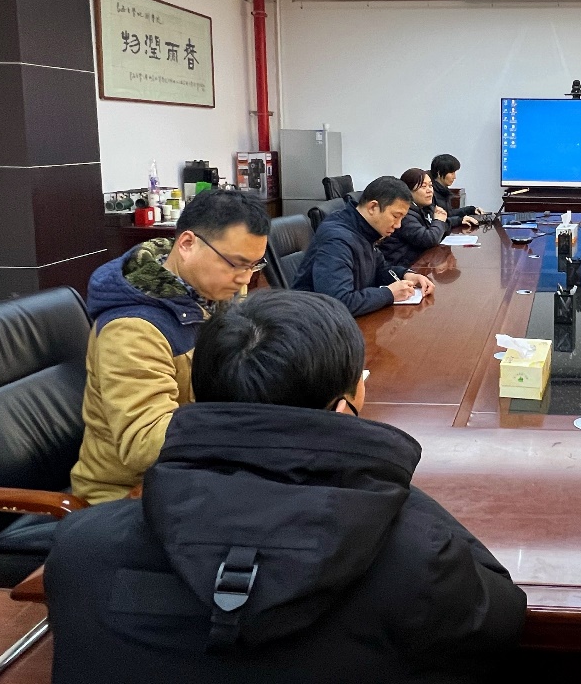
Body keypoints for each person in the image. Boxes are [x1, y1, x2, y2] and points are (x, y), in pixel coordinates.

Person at [45, 291, 527, 683]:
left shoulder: (81, 546)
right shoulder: (419, 558)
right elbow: (501, 621)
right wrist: (383, 482)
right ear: (344, 408)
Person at [70, 188, 270, 505]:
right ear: (187, 244)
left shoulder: (214, 292)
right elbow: (144, 444)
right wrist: (245, 427)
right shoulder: (133, 328)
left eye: (254, 266)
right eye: (236, 264)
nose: (245, 279)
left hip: (196, 473)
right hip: (127, 496)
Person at [293, 176, 434, 316]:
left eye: (402, 218)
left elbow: (380, 270)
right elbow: (338, 302)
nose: (398, 225)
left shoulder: (365, 229)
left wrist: (406, 275)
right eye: (396, 216)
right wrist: (389, 293)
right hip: (313, 322)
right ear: (373, 207)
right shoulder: (337, 239)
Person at [380, 169, 450, 269]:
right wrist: (439, 221)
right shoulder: (405, 214)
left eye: (430, 186)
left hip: (416, 264)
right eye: (423, 187)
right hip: (399, 268)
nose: (429, 190)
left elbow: (440, 227)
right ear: (408, 191)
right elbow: (428, 239)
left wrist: (454, 220)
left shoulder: (423, 208)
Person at [430, 154, 479, 227]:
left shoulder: (443, 190)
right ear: (439, 173)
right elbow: (435, 221)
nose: (454, 177)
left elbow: (449, 213)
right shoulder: (430, 193)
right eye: (452, 173)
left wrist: (471, 210)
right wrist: (459, 220)